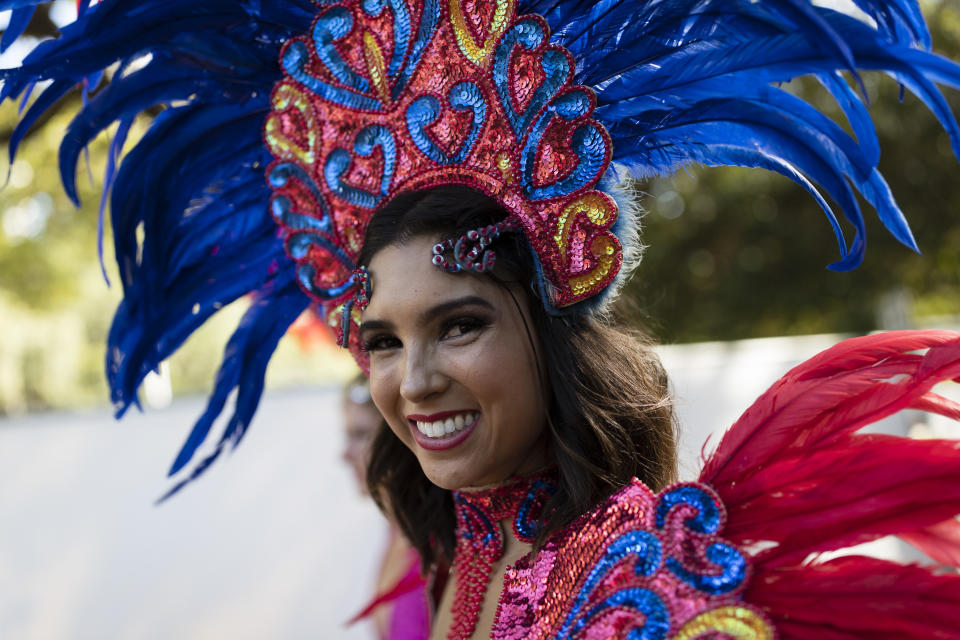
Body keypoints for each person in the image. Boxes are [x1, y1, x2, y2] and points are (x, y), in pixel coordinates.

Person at [5, 0, 960, 637]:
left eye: (458, 325)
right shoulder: (452, 551)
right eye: (381, 339)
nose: (411, 381)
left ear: (550, 331)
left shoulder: (643, 587)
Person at [341, 374, 430, 640]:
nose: (345, 454)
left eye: (361, 435)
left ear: (400, 437)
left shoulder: (444, 545)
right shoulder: (396, 530)